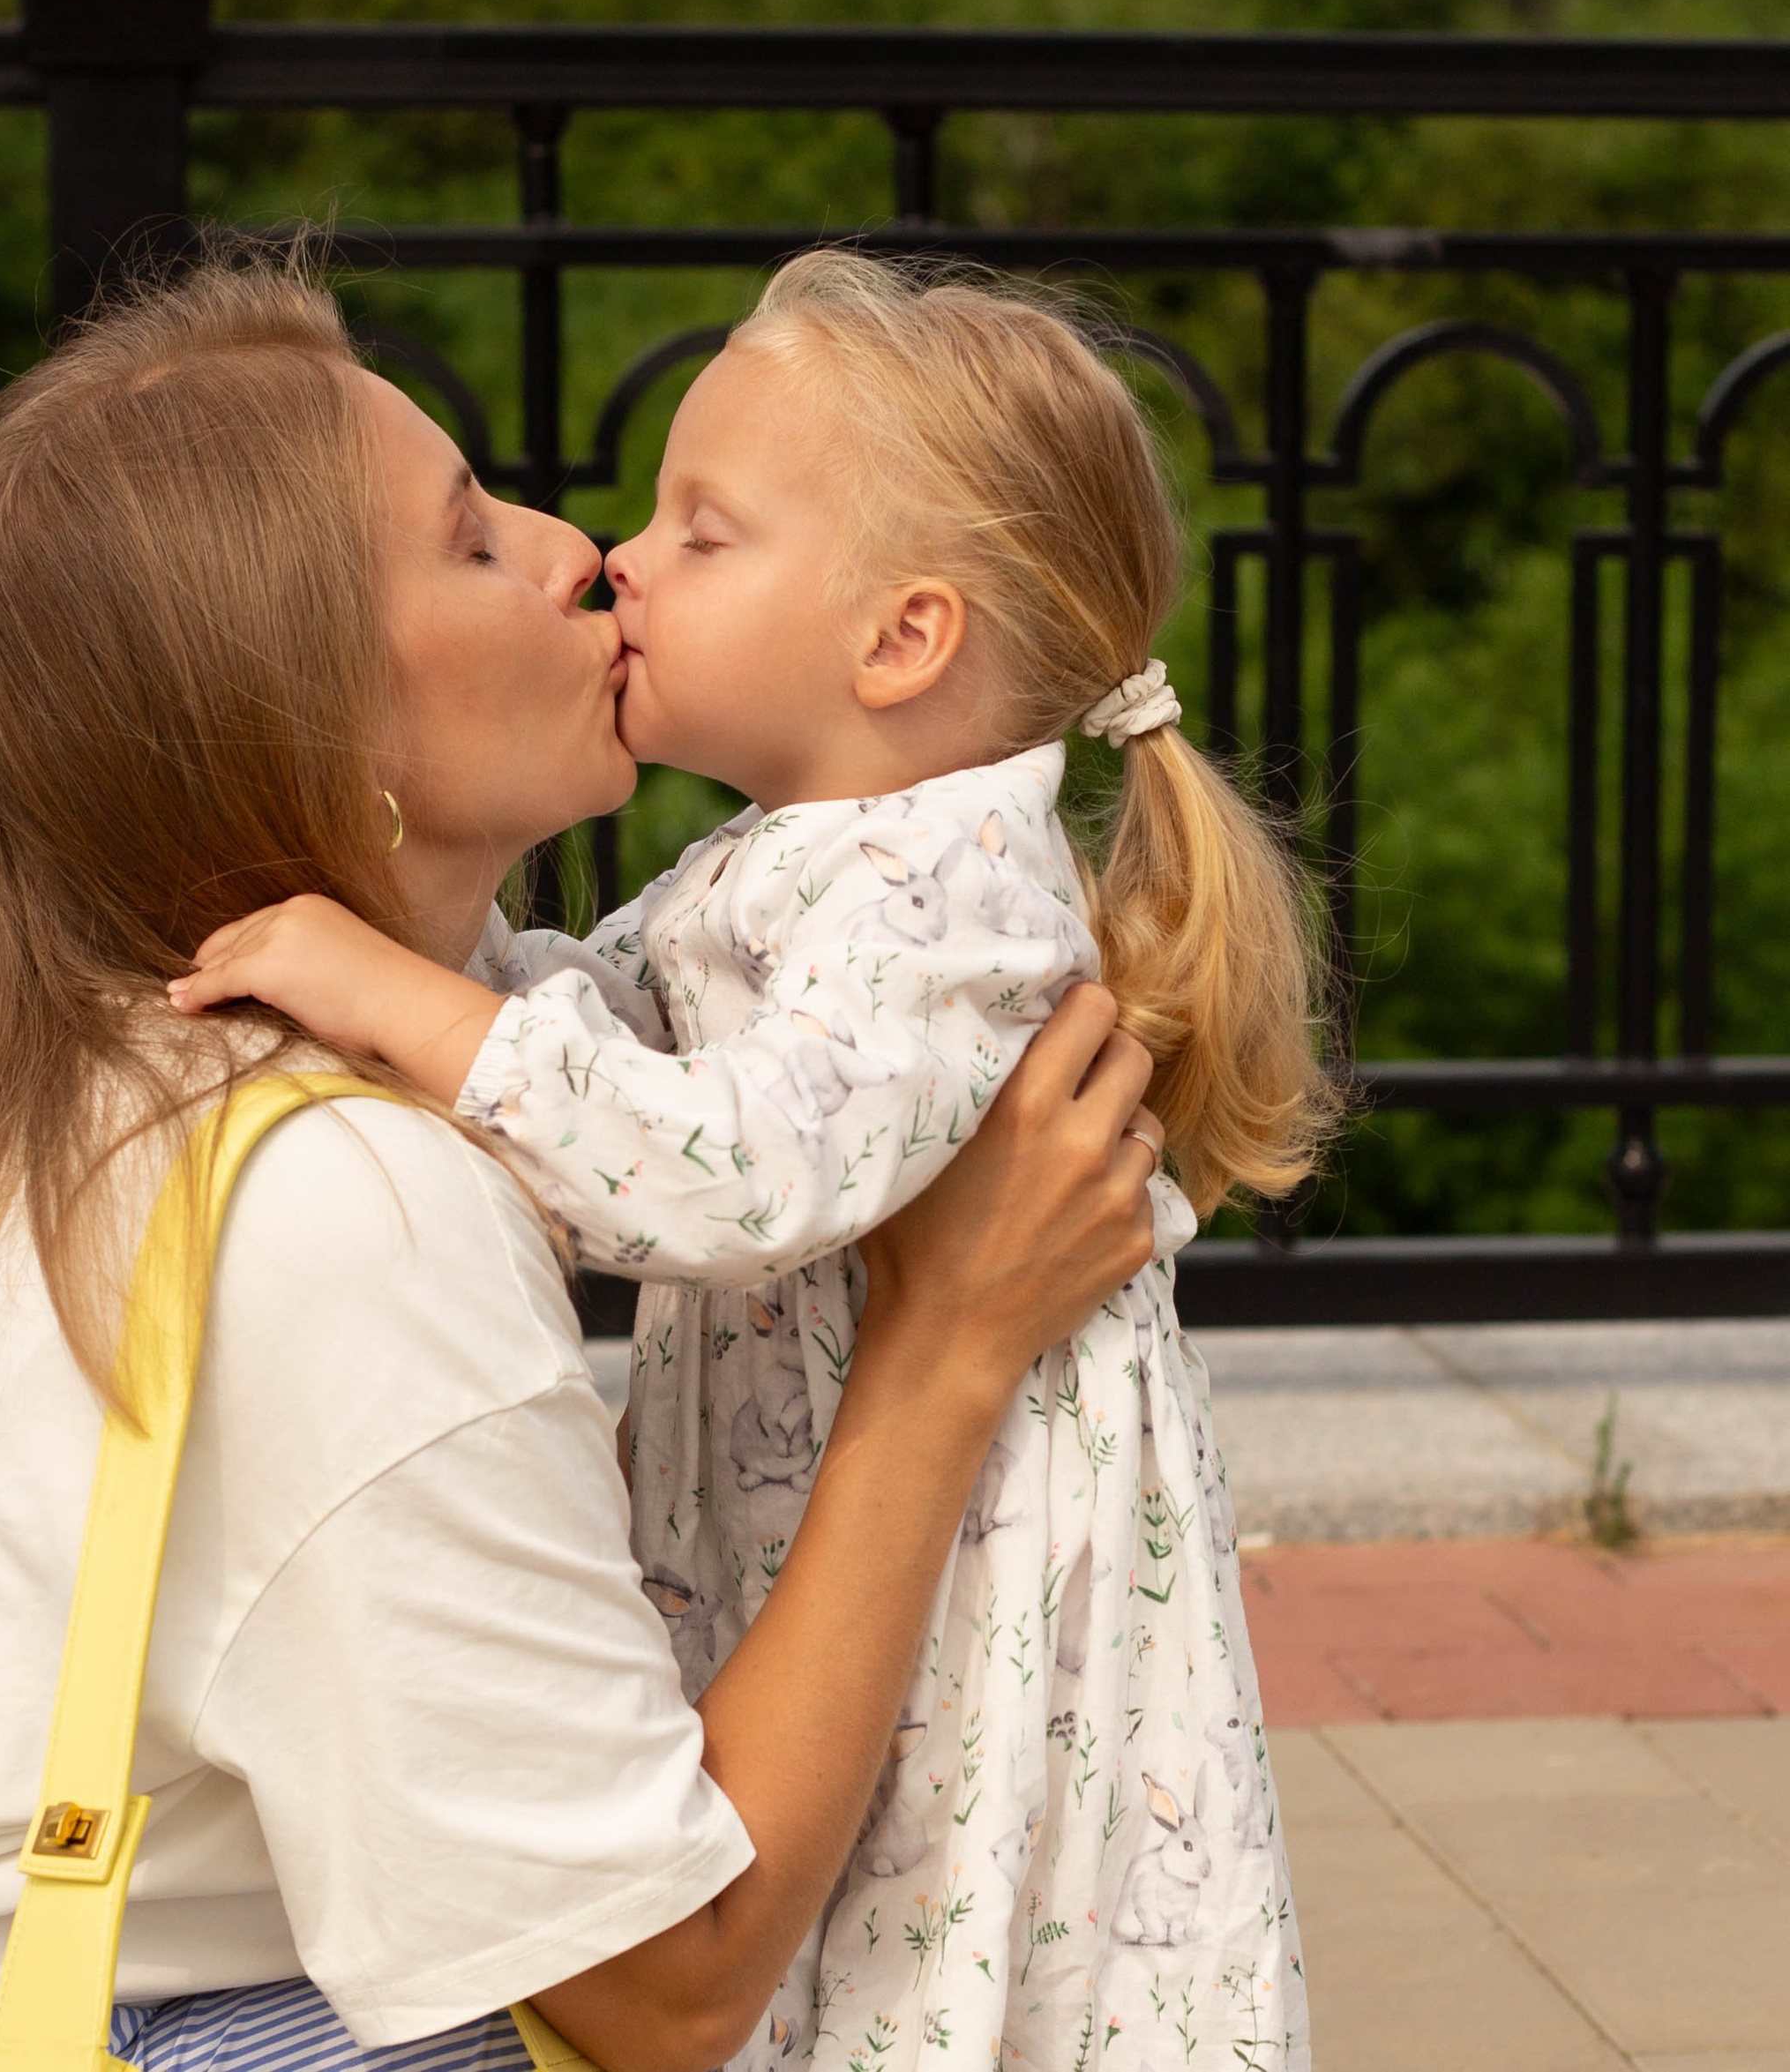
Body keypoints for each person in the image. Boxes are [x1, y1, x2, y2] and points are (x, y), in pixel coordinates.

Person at [0, 254, 1170, 2072]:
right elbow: (661, 1991)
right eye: (470, 540)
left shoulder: (103, 1061)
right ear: (312, 714)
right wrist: (946, 1349)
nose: (577, 552)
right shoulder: (342, 1210)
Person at [167, 251, 1337, 2072]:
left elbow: (728, 1176)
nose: (621, 558)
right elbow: (600, 1029)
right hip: (850, 1522)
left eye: (701, 532)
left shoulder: (944, 896)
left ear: (901, 639)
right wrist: (421, 971)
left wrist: (387, 990)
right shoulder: (795, 862)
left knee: (942, 1940)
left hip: (974, 1588)